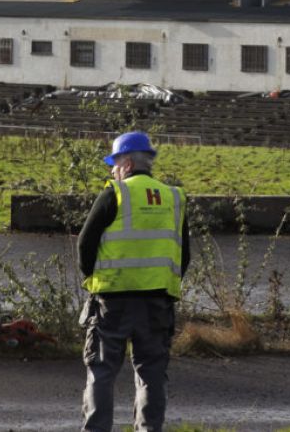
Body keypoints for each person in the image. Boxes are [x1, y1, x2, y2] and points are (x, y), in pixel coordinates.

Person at [77, 131, 189, 432]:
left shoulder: (115, 193)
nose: (112, 170)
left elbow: (85, 244)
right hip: (157, 300)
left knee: (101, 371)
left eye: (114, 164)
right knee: (151, 374)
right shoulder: (174, 198)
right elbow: (184, 254)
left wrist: (91, 276)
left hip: (113, 299)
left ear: (126, 163)